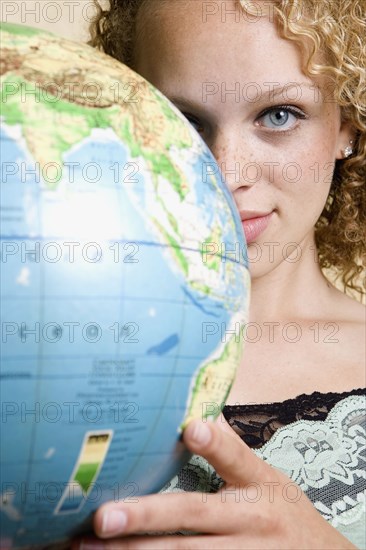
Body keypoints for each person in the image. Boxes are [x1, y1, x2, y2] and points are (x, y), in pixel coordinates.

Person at [77, 0, 365, 547]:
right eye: (184, 120)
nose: (227, 175)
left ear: (346, 125)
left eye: (279, 114)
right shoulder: (49, 354)